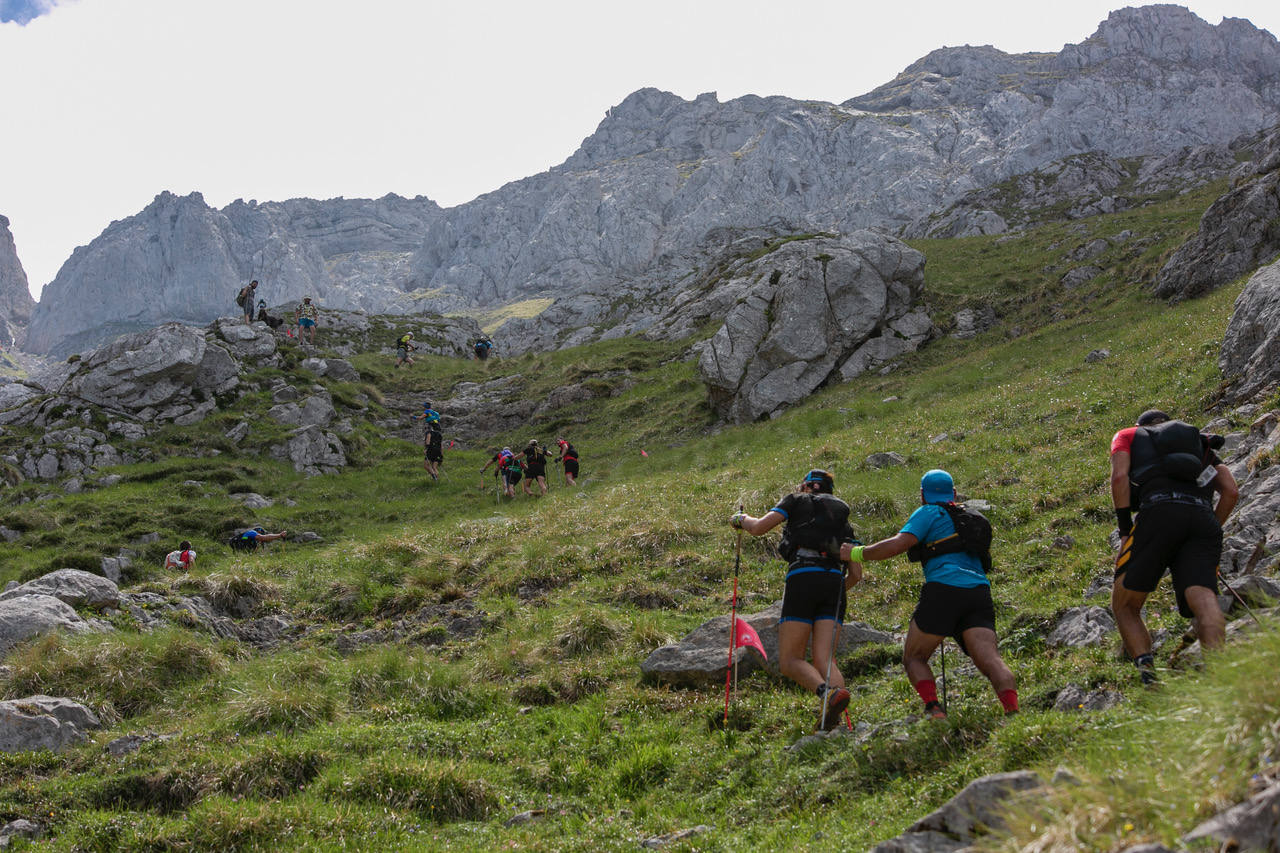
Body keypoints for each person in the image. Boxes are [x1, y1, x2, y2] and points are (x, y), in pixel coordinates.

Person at [844, 469, 1018, 719]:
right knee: (991, 660)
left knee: (914, 657)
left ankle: (934, 710)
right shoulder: (970, 516)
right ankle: (1013, 711)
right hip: (979, 592)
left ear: (923, 495)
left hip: (944, 589)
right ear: (954, 493)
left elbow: (897, 544)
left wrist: (855, 553)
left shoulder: (928, 512)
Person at [1109, 409, 1238, 684]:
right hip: (1202, 518)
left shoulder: (1128, 435)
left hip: (1157, 512)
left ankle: (1150, 677)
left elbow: (1119, 477)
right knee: (1204, 598)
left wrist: (1124, 531)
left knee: (1125, 605)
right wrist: (1210, 527)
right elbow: (1230, 490)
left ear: (1141, 426)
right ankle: (1219, 674)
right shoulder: (1198, 442)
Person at [730, 469, 862, 731]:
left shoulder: (795, 500)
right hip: (835, 583)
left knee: (790, 661)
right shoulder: (843, 522)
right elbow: (856, 574)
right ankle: (841, 722)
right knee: (826, 660)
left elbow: (758, 528)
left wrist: (740, 519)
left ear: (805, 487)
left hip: (803, 577)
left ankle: (828, 695)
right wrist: (837, 589)